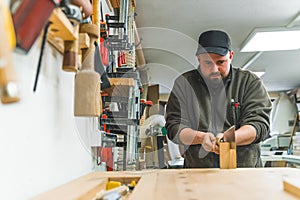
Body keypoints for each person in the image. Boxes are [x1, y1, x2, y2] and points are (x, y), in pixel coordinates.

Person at [165, 30, 272, 168]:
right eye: (208, 63)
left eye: (221, 62)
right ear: (198, 59)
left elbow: (259, 125)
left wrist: (229, 140)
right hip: (198, 173)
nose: (215, 69)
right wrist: (201, 138)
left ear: (231, 56)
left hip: (244, 172)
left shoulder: (249, 82)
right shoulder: (184, 84)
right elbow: (174, 128)